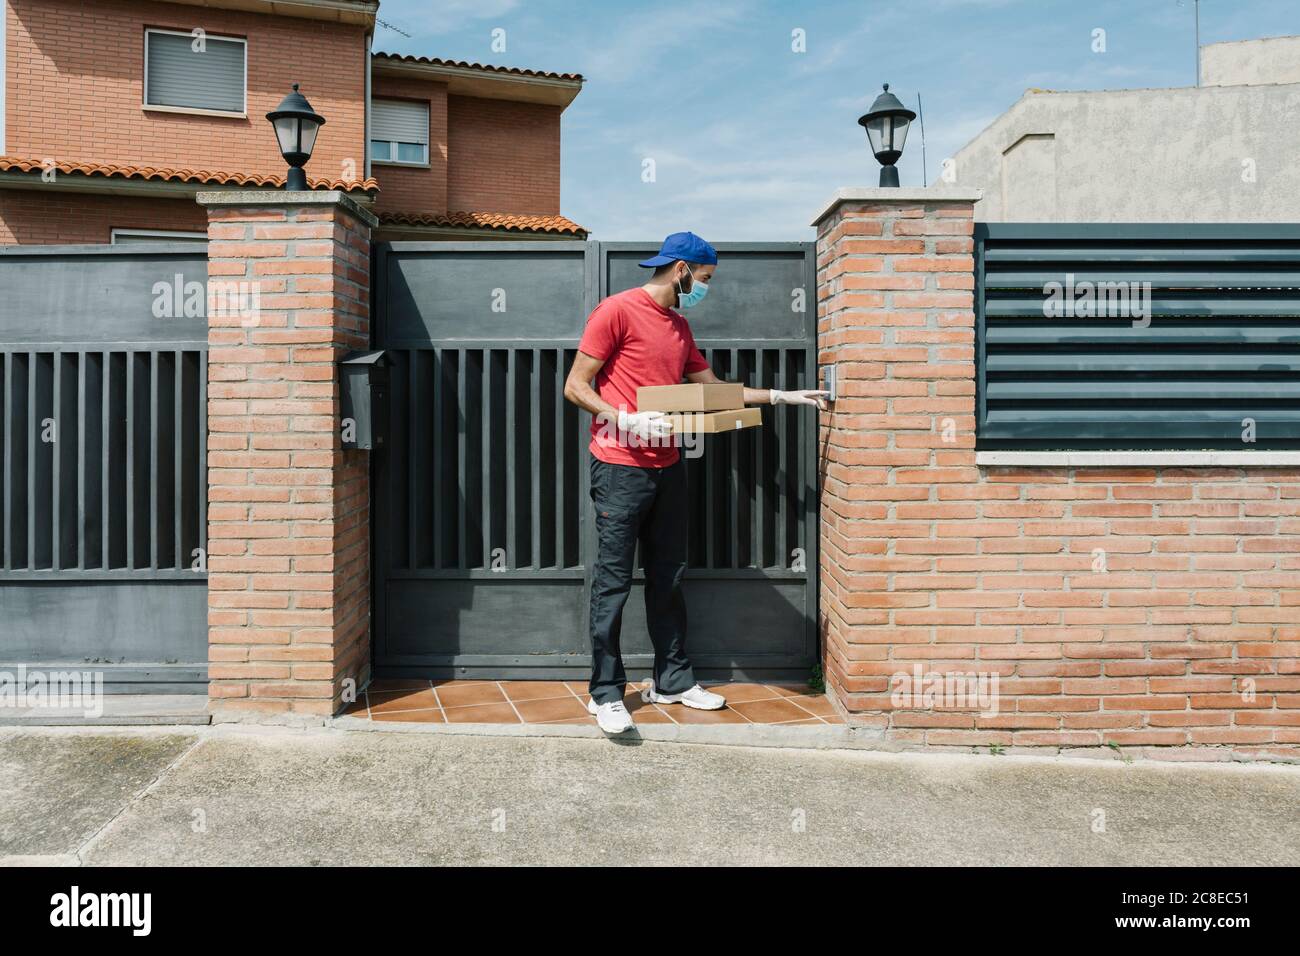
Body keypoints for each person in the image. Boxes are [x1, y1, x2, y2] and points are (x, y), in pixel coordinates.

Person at [562, 232, 828, 734]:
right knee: (614, 581)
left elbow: (716, 395)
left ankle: (672, 680)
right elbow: (575, 386)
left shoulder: (679, 327)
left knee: (669, 577)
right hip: (619, 466)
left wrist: (781, 396)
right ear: (682, 269)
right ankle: (604, 693)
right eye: (704, 279)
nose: (706, 288)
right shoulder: (615, 311)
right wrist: (625, 419)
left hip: (668, 467)